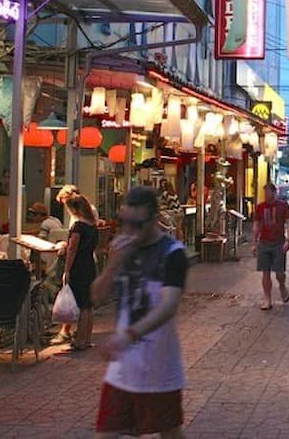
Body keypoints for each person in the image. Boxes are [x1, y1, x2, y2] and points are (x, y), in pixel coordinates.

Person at [92, 186, 188, 439]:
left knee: (170, 432)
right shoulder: (124, 250)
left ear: (154, 219)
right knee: (105, 433)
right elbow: (95, 296)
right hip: (121, 370)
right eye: (124, 222)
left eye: (137, 224)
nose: (129, 230)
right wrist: (112, 264)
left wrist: (130, 335)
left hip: (159, 367)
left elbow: (168, 306)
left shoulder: (173, 253)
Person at [61, 195, 98, 351]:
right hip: (89, 265)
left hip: (79, 266)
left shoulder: (78, 226)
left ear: (75, 209)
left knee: (82, 304)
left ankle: (80, 340)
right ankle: (87, 338)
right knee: (88, 305)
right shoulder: (93, 226)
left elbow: (72, 248)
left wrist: (67, 270)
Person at [251, 183, 289, 310]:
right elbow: (256, 225)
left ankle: (282, 286)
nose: (266, 195)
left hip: (278, 243)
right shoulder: (260, 207)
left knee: (279, 272)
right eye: (265, 193)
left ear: (274, 193)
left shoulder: (283, 206)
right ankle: (267, 299)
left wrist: (288, 239)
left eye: (268, 192)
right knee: (265, 272)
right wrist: (254, 243)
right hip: (264, 242)